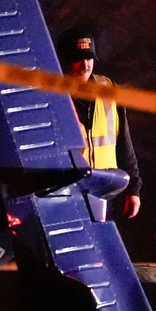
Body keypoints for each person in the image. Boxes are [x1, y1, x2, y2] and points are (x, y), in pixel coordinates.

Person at [56, 26, 142, 218]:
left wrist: (133, 189)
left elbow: (124, 145)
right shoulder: (51, 96)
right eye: (78, 59)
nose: (85, 65)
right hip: (63, 195)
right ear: (63, 60)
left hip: (105, 194)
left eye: (89, 58)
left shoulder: (108, 90)